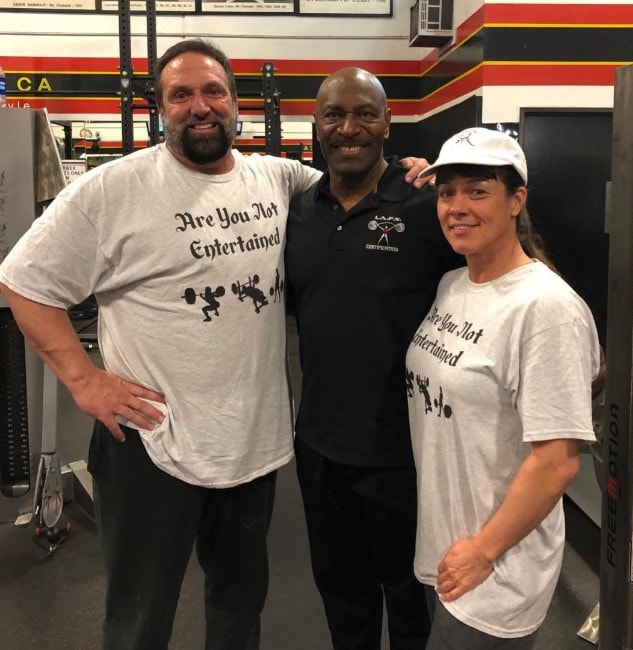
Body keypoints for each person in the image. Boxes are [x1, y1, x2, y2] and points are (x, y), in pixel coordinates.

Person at [0, 40, 430, 649]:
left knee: (238, 609)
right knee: (140, 616)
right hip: (151, 441)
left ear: (236, 104)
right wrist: (84, 379)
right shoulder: (112, 189)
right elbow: (23, 281)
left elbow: (352, 186)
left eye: (213, 92)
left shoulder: (278, 178)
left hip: (249, 446)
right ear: (159, 108)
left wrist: (413, 173)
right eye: (181, 95)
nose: (199, 108)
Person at [285, 68, 462, 649]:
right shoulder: (300, 209)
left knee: (410, 602)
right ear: (317, 126)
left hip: (405, 453)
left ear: (388, 123)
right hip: (318, 447)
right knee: (343, 598)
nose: (349, 128)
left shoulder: (426, 202)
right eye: (334, 115)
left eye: (364, 113)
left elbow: (503, 262)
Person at [406, 127, 601, 649]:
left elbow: (557, 460)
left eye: (477, 190)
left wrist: (483, 551)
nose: (456, 206)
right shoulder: (454, 284)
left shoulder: (545, 308)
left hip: (496, 567)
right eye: (446, 192)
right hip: (446, 548)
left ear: (517, 200)